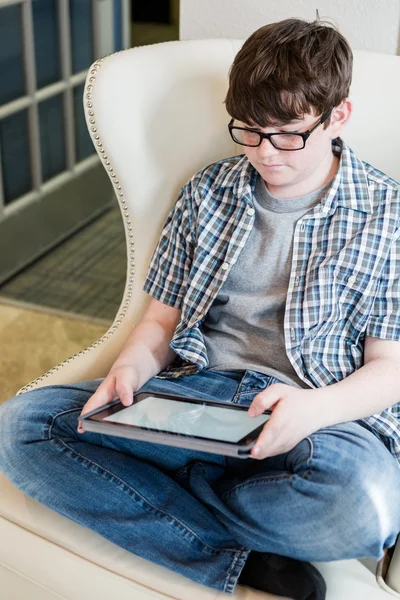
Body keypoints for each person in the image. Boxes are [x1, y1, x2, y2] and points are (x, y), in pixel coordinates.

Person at [1, 17, 400, 600]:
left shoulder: (388, 214)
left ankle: (171, 495)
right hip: (196, 396)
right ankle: (237, 551)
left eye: (288, 134)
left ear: (338, 115)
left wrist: (314, 409)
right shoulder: (208, 191)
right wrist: (133, 366)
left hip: (314, 419)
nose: (266, 154)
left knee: (365, 508)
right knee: (20, 428)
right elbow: (161, 321)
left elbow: (391, 367)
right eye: (249, 131)